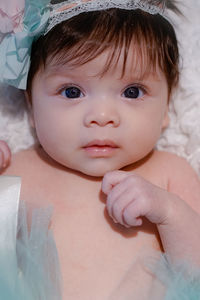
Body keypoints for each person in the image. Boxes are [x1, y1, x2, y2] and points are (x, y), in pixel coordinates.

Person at [0, 0, 200, 299]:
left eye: (132, 92)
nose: (102, 116)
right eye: (71, 92)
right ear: (31, 105)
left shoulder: (169, 174)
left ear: (166, 108)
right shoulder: (19, 170)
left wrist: (169, 212)